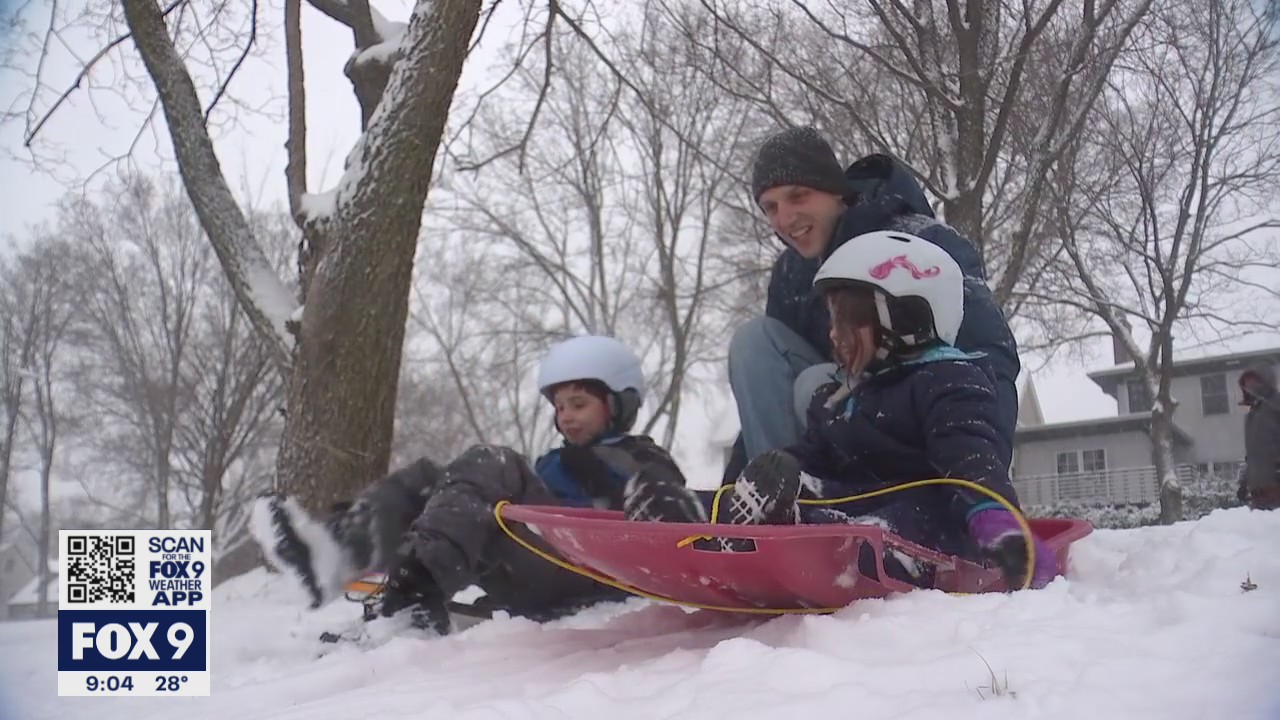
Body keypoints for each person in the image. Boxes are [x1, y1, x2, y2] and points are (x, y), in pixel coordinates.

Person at [627, 230, 1056, 591]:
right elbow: (818, 452)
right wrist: (783, 468)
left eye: (848, 320)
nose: (835, 336)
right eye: (832, 321)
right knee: (806, 489)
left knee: (888, 515)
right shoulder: (849, 396)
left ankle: (784, 531)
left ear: (905, 317)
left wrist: (997, 522)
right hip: (850, 509)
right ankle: (693, 512)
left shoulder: (950, 382)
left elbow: (971, 459)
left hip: (931, 527)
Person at [250, 334, 696, 635]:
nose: (566, 417)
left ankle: (420, 583)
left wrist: (640, 491)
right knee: (434, 479)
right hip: (537, 565)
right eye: (559, 407)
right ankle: (336, 552)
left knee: (494, 462)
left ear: (620, 403)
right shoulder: (552, 463)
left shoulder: (642, 458)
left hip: (588, 574)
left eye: (579, 403)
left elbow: (672, 514)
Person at [723, 127, 1020, 483]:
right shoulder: (791, 273)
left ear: (836, 192)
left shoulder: (915, 244)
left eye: (798, 196)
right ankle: (772, 496)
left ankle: (848, 501)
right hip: (828, 442)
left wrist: (980, 474)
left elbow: (989, 353)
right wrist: (730, 491)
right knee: (753, 342)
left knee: (815, 384)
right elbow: (767, 395)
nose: (784, 219)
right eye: (770, 208)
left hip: (916, 444)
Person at [1238, 364, 1280, 510]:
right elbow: (1252, 454)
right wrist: (1244, 481)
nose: (1249, 386)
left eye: (1253, 382)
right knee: (1262, 529)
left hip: (1275, 486)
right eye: (1246, 383)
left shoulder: (1276, 404)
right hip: (1258, 489)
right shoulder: (1251, 414)